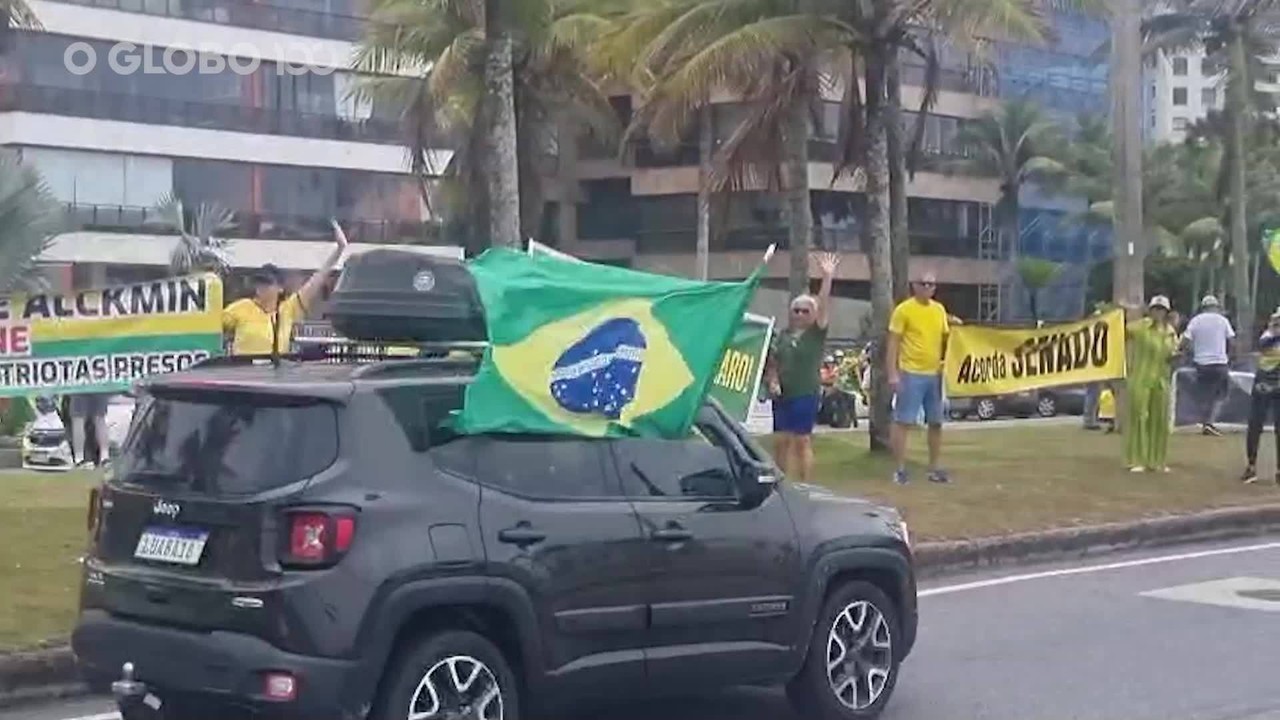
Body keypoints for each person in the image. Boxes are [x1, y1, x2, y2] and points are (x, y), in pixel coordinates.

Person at [765, 252, 839, 483]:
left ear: (813, 314)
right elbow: (772, 362)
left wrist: (827, 277)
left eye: (805, 310)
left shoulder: (815, 334)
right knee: (780, 442)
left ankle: (805, 486)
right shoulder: (783, 335)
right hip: (782, 395)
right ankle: (781, 485)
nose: (799, 314)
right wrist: (773, 380)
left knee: (801, 441)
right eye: (796, 310)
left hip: (805, 393)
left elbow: (823, 305)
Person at [223, 221, 348, 355]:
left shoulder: (287, 310)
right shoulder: (241, 307)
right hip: (244, 367)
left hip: (275, 367)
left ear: (280, 288)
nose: (261, 287)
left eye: (267, 283)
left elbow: (317, 279)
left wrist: (340, 249)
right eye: (259, 282)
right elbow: (214, 324)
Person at [886, 271, 950, 485]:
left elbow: (946, 337)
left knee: (936, 422)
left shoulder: (939, 310)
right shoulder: (904, 310)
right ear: (914, 286)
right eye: (924, 284)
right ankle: (900, 469)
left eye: (932, 284)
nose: (928, 288)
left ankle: (934, 468)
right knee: (903, 421)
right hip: (910, 372)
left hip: (934, 373)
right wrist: (892, 373)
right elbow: (893, 342)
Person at [1125, 295, 1179, 472]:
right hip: (1140, 378)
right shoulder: (1141, 326)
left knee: (1159, 420)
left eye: (1162, 310)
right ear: (1150, 310)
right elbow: (1122, 331)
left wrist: (1176, 357)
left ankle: (1157, 461)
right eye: (1155, 309)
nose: (1158, 313)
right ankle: (1136, 460)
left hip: (1161, 380)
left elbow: (1173, 353)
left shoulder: (1170, 332)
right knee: (1139, 417)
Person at [1180, 294, 1235, 436]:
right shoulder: (1223, 320)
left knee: (1205, 394)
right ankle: (1209, 422)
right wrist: (1230, 356)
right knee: (1221, 395)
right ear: (1216, 307)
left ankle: (1205, 421)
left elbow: (1185, 341)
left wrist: (1188, 352)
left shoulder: (1195, 321)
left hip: (1201, 363)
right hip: (1220, 362)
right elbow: (1232, 341)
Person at [1240, 309, 1280, 485]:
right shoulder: (1268, 335)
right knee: (1255, 425)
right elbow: (1263, 345)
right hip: (1263, 384)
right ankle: (1251, 465)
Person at [69, 392, 110, 469]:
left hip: (79, 388)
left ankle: (79, 458)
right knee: (100, 418)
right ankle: (105, 457)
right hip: (100, 387)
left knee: (78, 419)